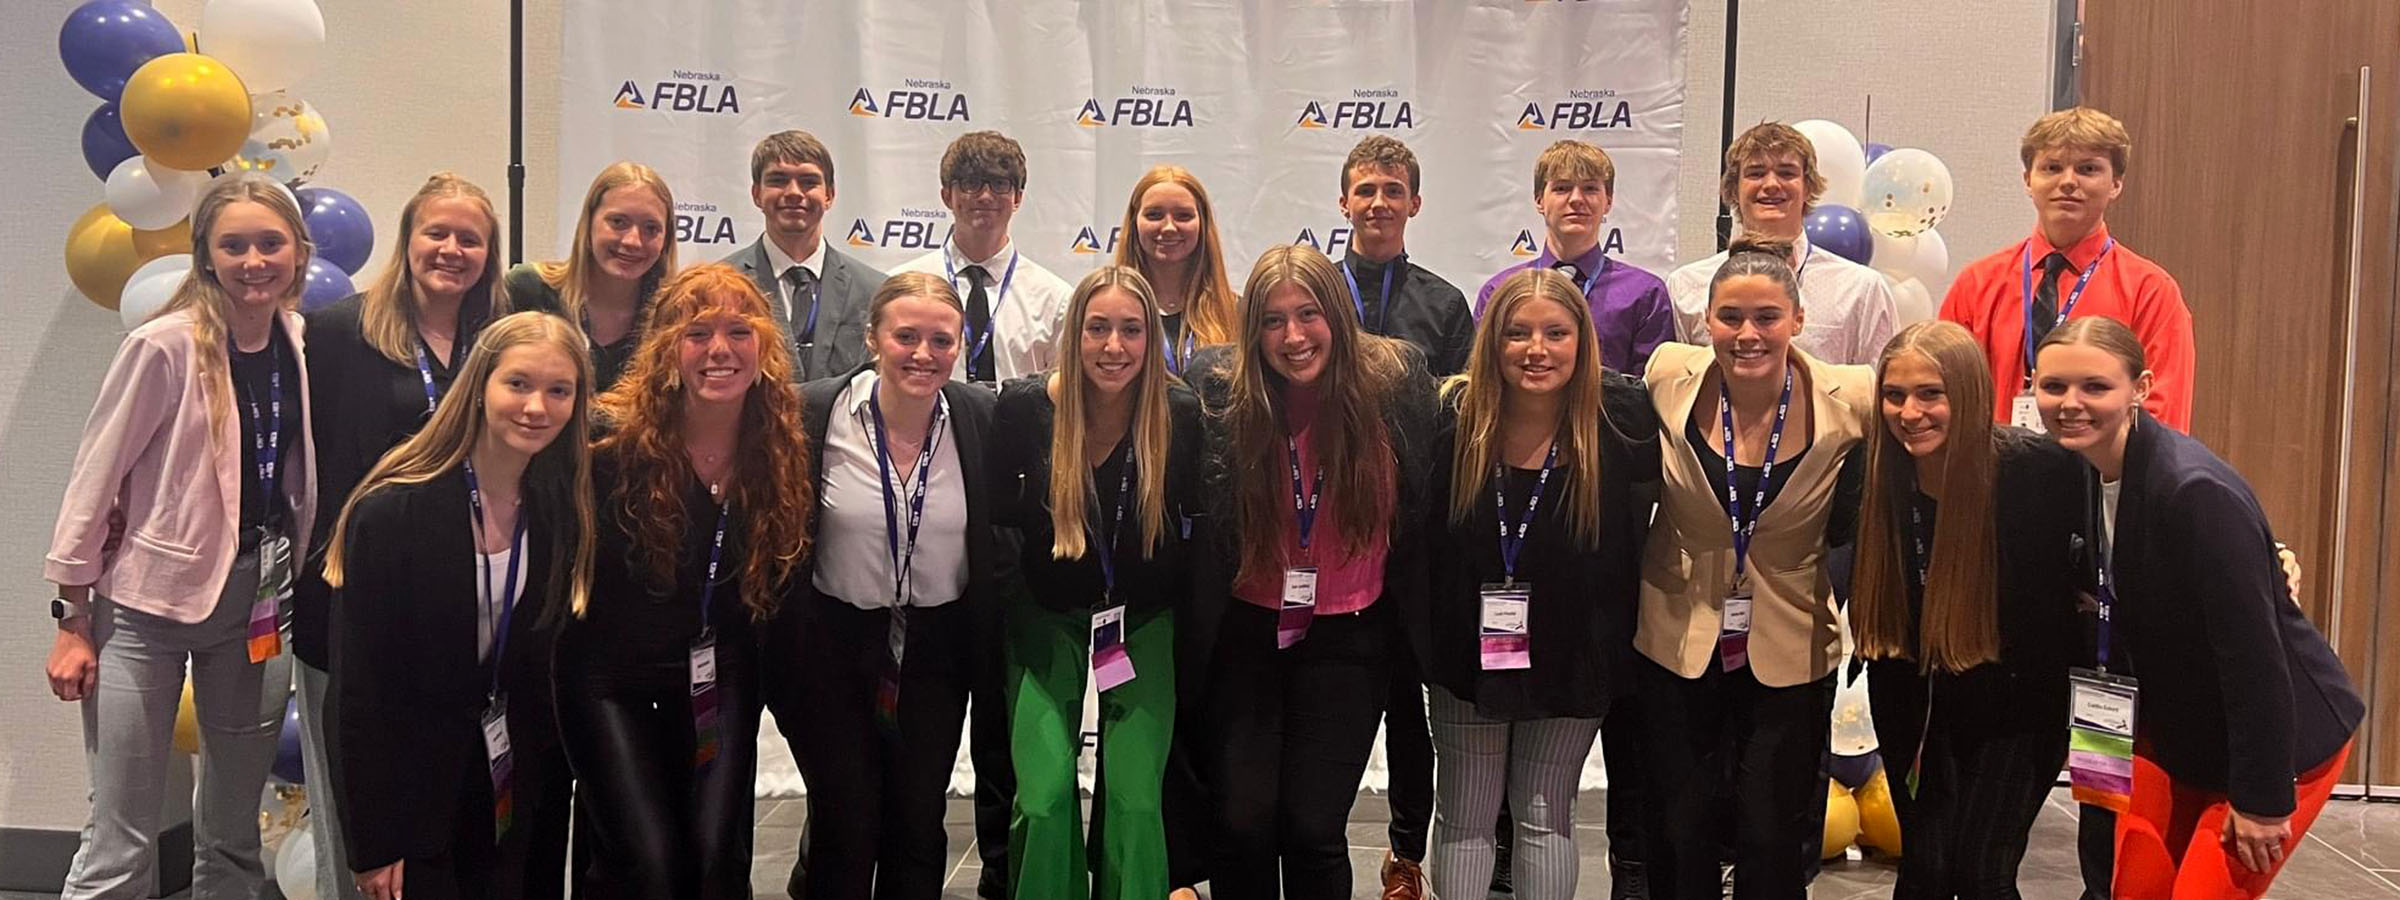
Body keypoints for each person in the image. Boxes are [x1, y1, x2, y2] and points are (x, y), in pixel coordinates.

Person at [44, 171, 317, 899]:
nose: (253, 261)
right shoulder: (163, 346)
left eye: (270, 243)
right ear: (206, 257)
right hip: (142, 611)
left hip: (255, 604)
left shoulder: (295, 340)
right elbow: (93, 484)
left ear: (299, 253)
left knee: (232, 838)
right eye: (234, 246)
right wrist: (72, 620)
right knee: (121, 836)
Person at [2032, 317, 2363, 900]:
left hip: (2274, 745)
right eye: (2054, 386)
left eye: (2095, 387)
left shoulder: (2192, 492)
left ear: (2141, 387)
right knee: (2135, 888)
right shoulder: (2082, 467)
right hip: (2174, 731)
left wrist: (2261, 801)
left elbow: (2255, 660)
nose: (2070, 403)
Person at [1187, 244, 1439, 900]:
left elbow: (1424, 508)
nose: (1293, 336)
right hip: (1248, 632)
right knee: (1242, 822)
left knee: (1312, 825)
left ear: (1337, 314)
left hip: (1351, 638)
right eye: (1272, 320)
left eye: (1308, 314)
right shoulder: (1219, 388)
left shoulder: (1397, 382)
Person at [299, 171, 523, 900]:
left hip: (464, 605)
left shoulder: (497, 343)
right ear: (408, 239)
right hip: (358, 596)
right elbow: (315, 468)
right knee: (361, 806)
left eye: (471, 239)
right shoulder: (339, 334)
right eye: (438, 233)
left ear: (490, 254)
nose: (453, 249)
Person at [553, 264, 811, 896]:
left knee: (716, 858)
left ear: (765, 348)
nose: (719, 350)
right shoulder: (602, 441)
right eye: (697, 333)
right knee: (649, 863)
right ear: (667, 346)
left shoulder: (781, 449)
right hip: (610, 685)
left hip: (719, 681)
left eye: (737, 331)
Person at [323, 311, 596, 900]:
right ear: (479, 386)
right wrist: (373, 841)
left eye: (559, 390)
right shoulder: (393, 512)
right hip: (418, 798)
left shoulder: (559, 510)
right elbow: (358, 693)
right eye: (518, 384)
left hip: (517, 791)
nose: (536, 407)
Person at [1635, 237, 1871, 900]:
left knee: (1772, 829)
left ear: (1797, 320)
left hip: (1792, 640)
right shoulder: (1666, 376)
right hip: (1676, 633)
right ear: (1705, 321)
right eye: (1729, 317)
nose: (1747, 333)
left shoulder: (1853, 397)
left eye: (1766, 317)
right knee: (1680, 826)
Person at [761, 272, 1009, 899]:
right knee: (846, 814)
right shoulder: (814, 411)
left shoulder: (983, 417)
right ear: (873, 338)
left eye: (941, 340)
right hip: (835, 642)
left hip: (936, 647)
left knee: (918, 819)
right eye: (906, 337)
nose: (923, 355)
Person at [1420, 268, 1661, 900]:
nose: (1537, 349)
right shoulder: (1450, 418)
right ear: (1490, 341)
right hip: (1465, 653)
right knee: (1466, 815)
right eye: (1517, 333)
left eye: (1556, 333)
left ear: (1582, 341)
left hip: (1575, 653)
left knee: (1545, 812)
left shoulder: (1621, 422)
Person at [1850, 320, 2085, 899]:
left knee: (1981, 872)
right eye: (1895, 394)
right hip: (1911, 693)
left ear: (1969, 394)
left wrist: (2269, 554)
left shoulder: (2038, 472)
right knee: (1925, 870)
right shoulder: (1873, 472)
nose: (1910, 412)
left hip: (2018, 705)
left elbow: (2127, 528)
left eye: (1931, 394)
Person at [991, 265, 1205, 900]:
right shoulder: (1026, 409)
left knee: (1138, 799)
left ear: (1151, 338)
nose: (1114, 347)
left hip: (1141, 619)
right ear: (1073, 333)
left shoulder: (1181, 415)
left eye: (1132, 330)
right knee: (1046, 795)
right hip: (1044, 612)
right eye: (1098, 329)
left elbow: (1194, 531)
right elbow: (998, 527)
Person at [1326, 135, 1475, 900]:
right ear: (1343, 201)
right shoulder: (1311, 292)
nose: (1378, 202)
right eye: (1365, 190)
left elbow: (1458, 425)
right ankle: (1316, 831)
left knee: (1411, 708)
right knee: (1331, 694)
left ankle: (1407, 854)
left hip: (1413, 537)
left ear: (1415, 202)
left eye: (1393, 189)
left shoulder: (1445, 304)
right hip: (1319, 532)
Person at [1938, 107, 2195, 432]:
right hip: (1994, 471)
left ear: (2115, 184)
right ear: (2028, 180)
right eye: (2052, 168)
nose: (2068, 182)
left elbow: (2163, 415)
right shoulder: (1976, 284)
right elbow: (1945, 390)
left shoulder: (2152, 292)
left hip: (2101, 478)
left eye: (2087, 169)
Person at [1666, 122, 1899, 365]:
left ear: (1808, 187)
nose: (1771, 185)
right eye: (1756, 173)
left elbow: (1878, 388)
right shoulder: (1686, 287)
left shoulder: (1861, 290)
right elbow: (1678, 389)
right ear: (1733, 189)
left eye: (1787, 173)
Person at [1477, 139, 1677, 374]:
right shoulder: (1498, 291)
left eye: (1590, 188)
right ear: (1539, 200)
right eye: (1562, 188)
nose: (1576, 199)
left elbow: (1651, 392)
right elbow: (1483, 379)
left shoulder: (1645, 295)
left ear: (1608, 202)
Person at [894, 130, 1074, 386]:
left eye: (999, 184)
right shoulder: (901, 287)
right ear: (947, 196)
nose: (986, 195)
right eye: (971, 183)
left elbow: (1063, 394)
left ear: (1018, 198)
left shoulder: (1055, 299)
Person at [726, 129, 888, 382]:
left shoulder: (875, 291)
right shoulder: (722, 283)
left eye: (809, 182)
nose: (793, 192)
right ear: (756, 194)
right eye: (778, 180)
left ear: (829, 195)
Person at [505, 161, 678, 392]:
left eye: (651, 228)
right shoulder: (527, 290)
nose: (633, 241)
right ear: (588, 224)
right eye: (618, 222)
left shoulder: (673, 317)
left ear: (666, 240)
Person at [1114, 164, 1240, 376]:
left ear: (1203, 223)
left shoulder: (1237, 313)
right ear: (1135, 222)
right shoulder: (1108, 313)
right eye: (1154, 215)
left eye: (1183, 216)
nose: (1169, 227)